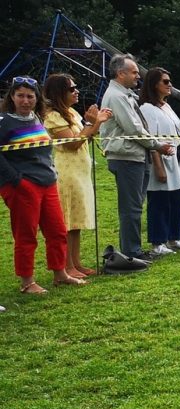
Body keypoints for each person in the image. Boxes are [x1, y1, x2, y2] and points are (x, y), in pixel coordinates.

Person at [0, 76, 84, 293]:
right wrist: (17, 181)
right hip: (23, 186)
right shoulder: (4, 121)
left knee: (56, 231)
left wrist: (51, 173)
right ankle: (27, 282)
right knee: (26, 235)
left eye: (30, 96)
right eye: (20, 96)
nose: (25, 101)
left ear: (37, 98)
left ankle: (60, 273)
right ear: (12, 96)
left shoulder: (37, 118)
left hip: (48, 183)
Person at [100, 54, 172, 262]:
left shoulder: (125, 94)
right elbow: (134, 129)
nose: (137, 77)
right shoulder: (116, 96)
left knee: (135, 206)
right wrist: (157, 145)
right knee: (130, 207)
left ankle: (134, 249)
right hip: (126, 157)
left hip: (135, 156)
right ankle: (132, 252)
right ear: (120, 74)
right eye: (133, 72)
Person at [39, 73, 108, 277]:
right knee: (67, 222)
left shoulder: (71, 112)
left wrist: (94, 122)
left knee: (76, 221)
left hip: (80, 171)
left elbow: (84, 138)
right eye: (71, 88)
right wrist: (92, 124)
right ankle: (66, 266)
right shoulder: (53, 116)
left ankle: (76, 263)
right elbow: (72, 143)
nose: (76, 91)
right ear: (59, 92)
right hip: (66, 173)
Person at [134, 68, 180, 255]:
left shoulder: (166, 106)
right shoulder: (147, 108)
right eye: (165, 82)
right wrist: (158, 166)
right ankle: (158, 242)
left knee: (177, 199)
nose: (170, 85)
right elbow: (152, 140)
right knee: (159, 201)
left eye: (170, 81)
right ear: (154, 85)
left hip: (175, 157)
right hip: (161, 158)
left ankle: (175, 237)